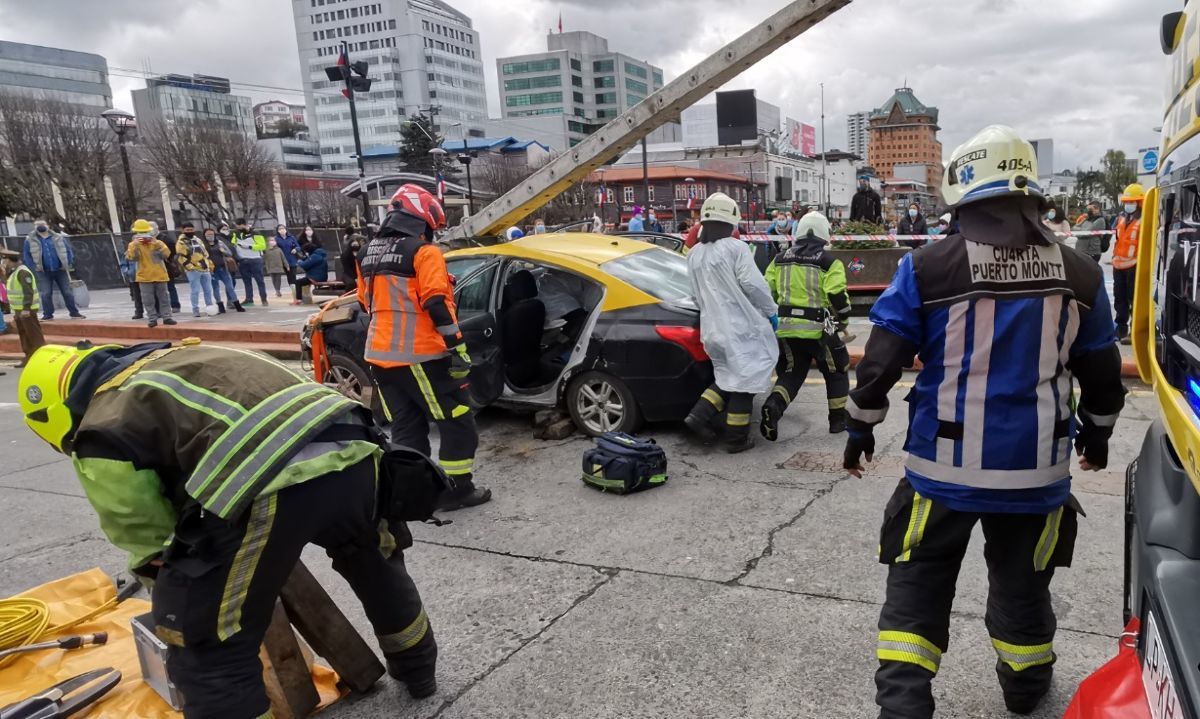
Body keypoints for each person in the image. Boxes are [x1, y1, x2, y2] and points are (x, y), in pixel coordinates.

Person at [842, 125, 1126, 719]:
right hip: (1036, 476)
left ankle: (903, 707)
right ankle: (1024, 694)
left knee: (916, 596)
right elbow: (1102, 373)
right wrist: (1097, 436)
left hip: (939, 474)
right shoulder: (1081, 275)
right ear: (1033, 195)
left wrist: (860, 430)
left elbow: (882, 360)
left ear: (962, 194)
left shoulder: (928, 266)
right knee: (1024, 592)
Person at [17, 340, 439, 719]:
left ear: (54, 417)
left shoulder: (100, 424)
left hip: (266, 484)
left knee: (209, 647)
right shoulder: (185, 354)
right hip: (356, 451)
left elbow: (144, 533)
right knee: (375, 563)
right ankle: (417, 671)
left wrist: (183, 586)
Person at [357, 184, 491, 509]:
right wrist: (456, 345)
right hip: (421, 356)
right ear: (423, 218)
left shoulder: (366, 254)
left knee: (407, 427)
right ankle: (457, 490)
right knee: (457, 420)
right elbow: (435, 301)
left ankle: (415, 494)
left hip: (378, 356)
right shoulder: (424, 252)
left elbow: (366, 302)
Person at [682, 192, 778, 453]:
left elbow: (694, 294)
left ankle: (697, 416)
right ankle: (736, 439)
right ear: (730, 222)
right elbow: (753, 285)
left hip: (712, 331)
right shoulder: (735, 249)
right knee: (745, 382)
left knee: (727, 378)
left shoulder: (694, 254)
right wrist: (771, 311)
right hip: (740, 330)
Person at [760, 211, 852, 439]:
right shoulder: (830, 262)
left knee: (792, 372)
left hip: (787, 328)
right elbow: (837, 295)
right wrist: (843, 321)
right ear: (825, 234)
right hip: (822, 329)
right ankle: (837, 421)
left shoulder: (779, 260)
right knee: (836, 370)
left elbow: (765, 291)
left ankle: (774, 405)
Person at [22, 219, 84, 320]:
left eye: (42, 224)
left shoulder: (58, 237)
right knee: (46, 293)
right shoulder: (29, 240)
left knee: (67, 292)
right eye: (37, 225)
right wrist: (34, 267)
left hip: (60, 270)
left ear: (48, 226)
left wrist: (67, 262)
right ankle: (48, 314)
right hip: (43, 271)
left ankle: (74, 312)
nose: (40, 226)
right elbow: (27, 255)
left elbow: (68, 250)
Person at [126, 219, 177, 328]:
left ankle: (167, 317)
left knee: (164, 298)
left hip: (160, 275)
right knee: (148, 300)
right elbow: (132, 257)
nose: (144, 235)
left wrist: (157, 245)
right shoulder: (133, 245)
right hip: (144, 276)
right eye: (141, 233)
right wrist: (135, 246)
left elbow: (167, 254)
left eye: (146, 232)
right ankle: (152, 318)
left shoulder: (158, 243)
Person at [1112, 184, 1143, 343]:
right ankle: (1120, 328)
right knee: (1120, 299)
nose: (1128, 205)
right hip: (1118, 266)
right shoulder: (1121, 218)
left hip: (1135, 266)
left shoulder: (1144, 220)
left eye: (1132, 202)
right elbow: (1119, 241)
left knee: (1134, 299)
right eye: (1127, 202)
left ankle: (1135, 330)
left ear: (1139, 202)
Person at [2, 248, 44, 365]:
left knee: (33, 334)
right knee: (24, 333)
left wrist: (26, 309)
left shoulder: (22, 272)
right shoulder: (13, 272)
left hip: (27, 310)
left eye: (5, 260)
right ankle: (29, 355)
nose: (4, 263)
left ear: (11, 260)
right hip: (18, 310)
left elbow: (28, 292)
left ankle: (40, 357)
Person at [175, 222, 217, 317]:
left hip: (204, 268)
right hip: (193, 270)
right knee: (195, 290)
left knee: (208, 290)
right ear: (183, 230)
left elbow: (205, 254)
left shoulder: (198, 240)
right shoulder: (181, 242)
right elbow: (181, 257)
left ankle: (209, 308)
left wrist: (210, 265)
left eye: (191, 229)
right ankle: (195, 310)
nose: (190, 231)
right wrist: (190, 267)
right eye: (187, 230)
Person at [204, 227, 243, 313]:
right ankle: (220, 306)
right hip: (211, 269)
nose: (210, 236)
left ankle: (237, 305)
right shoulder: (203, 245)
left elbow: (229, 253)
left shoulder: (220, 243)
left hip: (222, 268)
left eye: (211, 234)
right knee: (215, 288)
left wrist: (223, 251)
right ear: (204, 236)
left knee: (230, 287)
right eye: (208, 235)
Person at [232, 218, 268, 306]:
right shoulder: (236, 234)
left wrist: (249, 247)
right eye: (237, 226)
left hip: (255, 259)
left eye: (239, 226)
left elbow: (262, 246)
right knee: (246, 281)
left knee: (260, 280)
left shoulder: (255, 233)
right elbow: (233, 244)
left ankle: (264, 299)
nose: (238, 228)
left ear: (244, 224)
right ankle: (249, 299)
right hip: (243, 260)